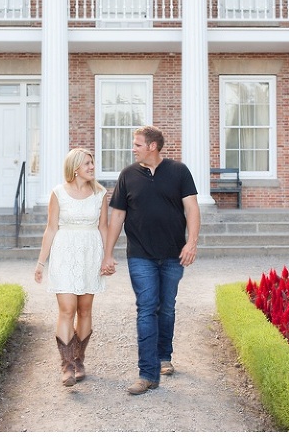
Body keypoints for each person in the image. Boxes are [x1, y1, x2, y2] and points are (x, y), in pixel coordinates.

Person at [101, 125, 200, 395]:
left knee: (166, 307)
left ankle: (163, 356)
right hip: (140, 255)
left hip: (173, 254)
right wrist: (107, 253)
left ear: (152, 146)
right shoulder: (127, 175)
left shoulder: (179, 171)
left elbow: (191, 208)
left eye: (137, 144)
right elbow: (117, 217)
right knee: (146, 308)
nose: (133, 148)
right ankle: (147, 373)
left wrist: (191, 243)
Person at [35, 148, 110, 387]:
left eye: (92, 163)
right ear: (75, 167)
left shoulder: (100, 193)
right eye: (87, 163)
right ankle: (66, 365)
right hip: (64, 252)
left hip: (91, 252)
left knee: (85, 309)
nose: (91, 167)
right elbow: (51, 228)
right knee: (67, 308)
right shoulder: (58, 193)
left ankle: (79, 360)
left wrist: (107, 257)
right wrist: (40, 262)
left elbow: (104, 228)